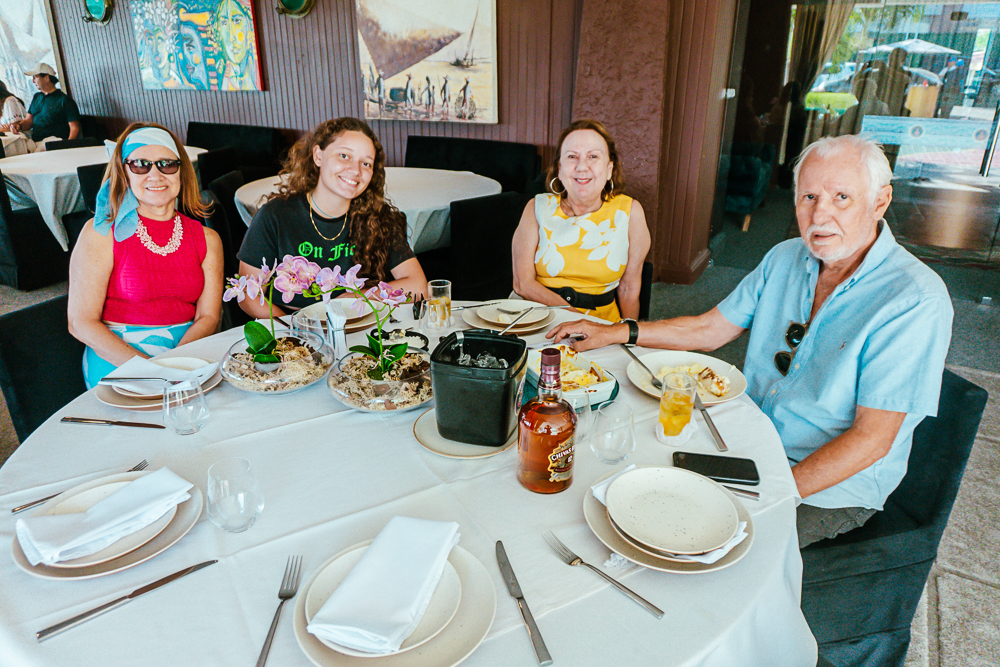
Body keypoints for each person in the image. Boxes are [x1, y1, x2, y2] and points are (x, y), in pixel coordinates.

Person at [548, 135, 953, 547]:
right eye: (808, 196)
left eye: (842, 197)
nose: (820, 214)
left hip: (825, 487)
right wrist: (617, 331)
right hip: (745, 442)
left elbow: (872, 440)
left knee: (699, 545)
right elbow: (709, 330)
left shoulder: (914, 299)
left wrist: (773, 494)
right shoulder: (785, 257)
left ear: (880, 202)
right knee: (621, 486)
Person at [68, 123, 224, 389]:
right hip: (118, 357)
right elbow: (80, 323)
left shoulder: (208, 238)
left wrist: (176, 365)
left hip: (187, 352)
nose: (155, 174)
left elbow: (209, 316)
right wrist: (150, 370)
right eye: (140, 164)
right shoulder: (102, 233)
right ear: (124, 172)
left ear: (181, 171)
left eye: (167, 164)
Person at [237, 117, 427, 317]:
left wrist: (357, 298)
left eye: (366, 163)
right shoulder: (275, 216)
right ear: (318, 156)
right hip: (290, 327)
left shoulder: (379, 218)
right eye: (344, 156)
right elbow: (248, 297)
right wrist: (295, 329)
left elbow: (418, 286)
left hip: (361, 327)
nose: (355, 170)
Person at [511, 119, 650, 322]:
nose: (582, 166)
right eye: (572, 157)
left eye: (593, 156)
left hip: (602, 324)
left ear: (609, 168)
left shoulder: (630, 212)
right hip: (534, 319)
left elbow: (629, 288)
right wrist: (577, 321)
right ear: (559, 168)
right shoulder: (536, 207)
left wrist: (628, 338)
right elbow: (522, 284)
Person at [2, 64, 80, 142]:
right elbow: (28, 121)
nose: (33, 81)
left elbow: (75, 128)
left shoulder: (64, 100)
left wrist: (68, 146)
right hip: (36, 142)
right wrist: (19, 126)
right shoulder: (36, 97)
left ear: (46, 78)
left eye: (35, 77)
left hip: (55, 143)